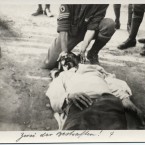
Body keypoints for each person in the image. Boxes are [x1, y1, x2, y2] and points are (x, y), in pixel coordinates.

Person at [43, 4, 115, 70]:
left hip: (89, 30)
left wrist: (83, 49)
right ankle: (71, 56)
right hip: (71, 32)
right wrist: (64, 51)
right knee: (49, 64)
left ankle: (92, 53)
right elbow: (63, 26)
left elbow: (93, 26)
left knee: (109, 25)